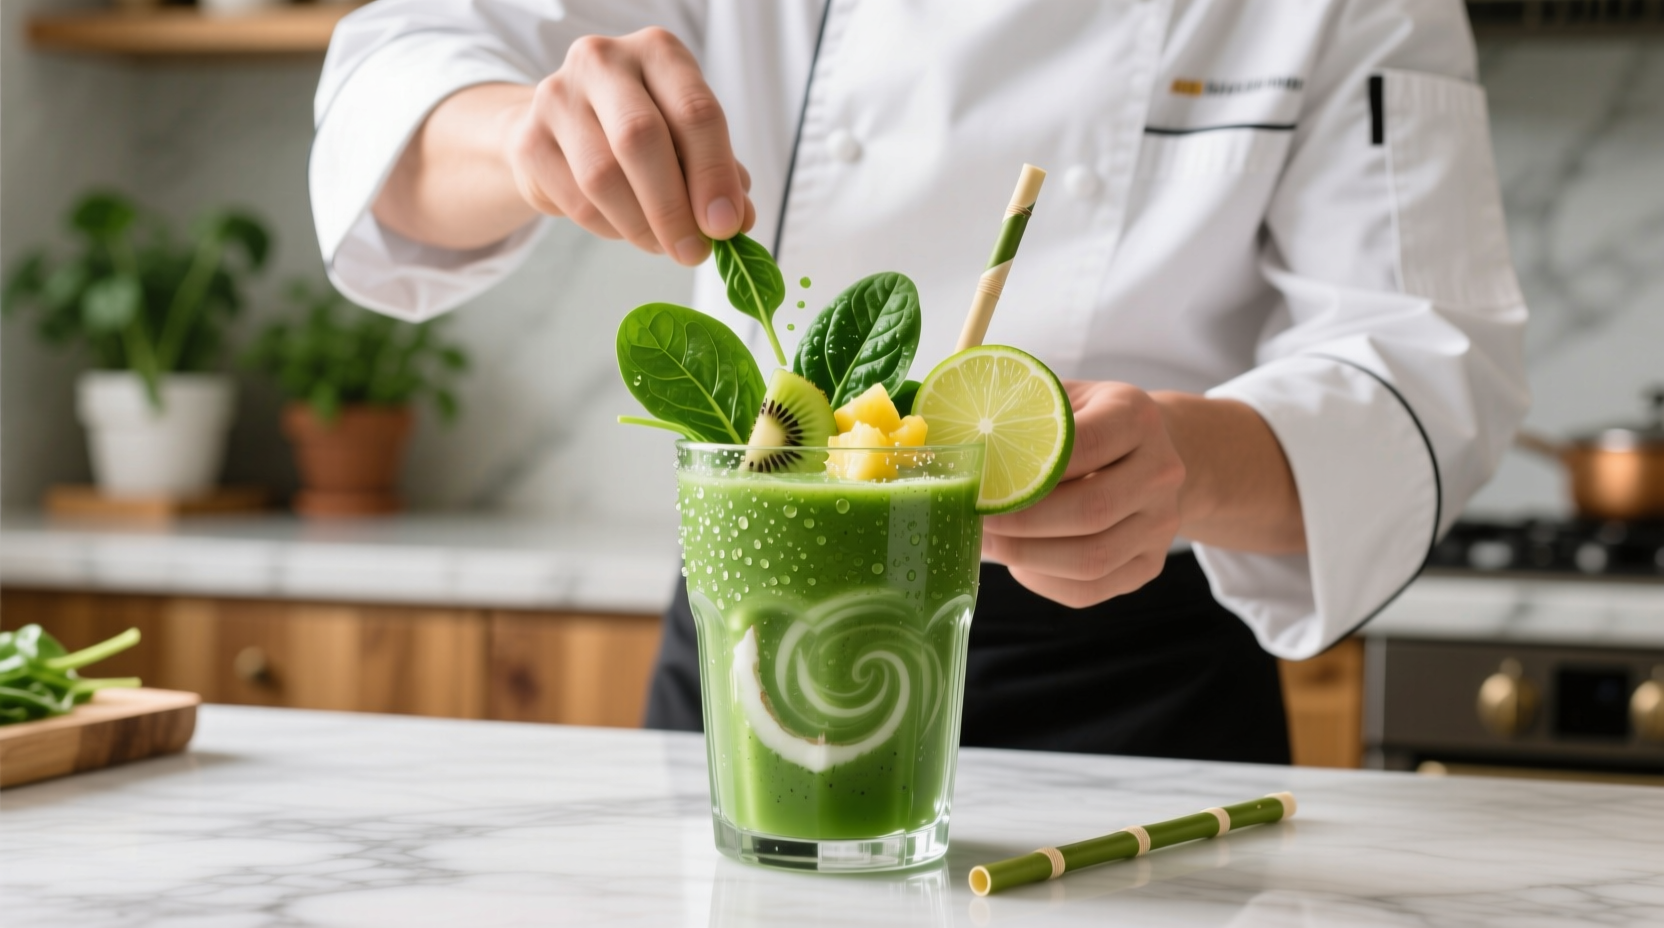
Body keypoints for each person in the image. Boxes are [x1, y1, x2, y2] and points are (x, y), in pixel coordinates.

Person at [310, 0, 1528, 764]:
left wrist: (1184, 460)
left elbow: (1428, 356)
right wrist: (531, 130)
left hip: (1132, 677)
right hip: (756, 611)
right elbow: (396, 78)